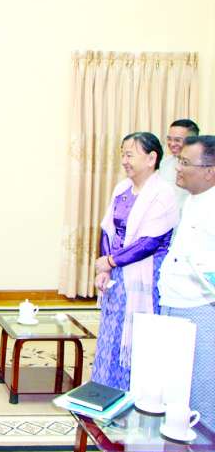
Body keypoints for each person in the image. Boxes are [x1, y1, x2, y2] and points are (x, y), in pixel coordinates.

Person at [91, 132, 179, 391]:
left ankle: (132, 394)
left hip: (146, 277)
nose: (124, 161)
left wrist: (110, 261)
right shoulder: (122, 189)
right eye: (123, 154)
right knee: (111, 334)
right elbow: (108, 230)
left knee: (137, 339)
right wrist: (105, 268)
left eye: (130, 155)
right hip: (117, 275)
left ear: (151, 158)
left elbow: (149, 242)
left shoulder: (163, 194)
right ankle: (105, 389)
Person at [157, 135, 215, 452]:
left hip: (201, 311)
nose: (178, 168)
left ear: (210, 171)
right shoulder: (192, 199)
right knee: (177, 389)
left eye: (185, 162)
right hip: (175, 305)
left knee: (202, 392)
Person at [159, 119, 200, 209]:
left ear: (194, 141)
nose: (172, 144)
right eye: (169, 139)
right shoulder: (165, 163)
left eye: (177, 140)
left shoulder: (203, 166)